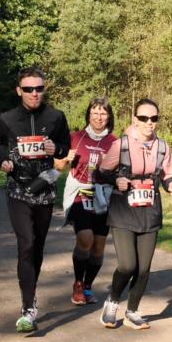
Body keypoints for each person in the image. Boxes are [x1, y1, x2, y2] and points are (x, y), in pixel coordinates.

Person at [0, 68, 70, 333]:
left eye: (39, 89)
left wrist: (54, 149)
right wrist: (3, 160)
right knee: (27, 242)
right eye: (29, 89)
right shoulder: (7, 119)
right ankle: (27, 307)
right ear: (19, 91)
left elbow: (65, 147)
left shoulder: (56, 117)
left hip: (44, 186)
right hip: (18, 189)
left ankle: (30, 291)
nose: (35, 94)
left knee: (38, 247)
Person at [96, 99, 172, 330]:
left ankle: (132, 310)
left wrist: (170, 185)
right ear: (134, 119)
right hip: (123, 209)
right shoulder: (121, 145)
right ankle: (112, 300)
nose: (149, 123)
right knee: (127, 265)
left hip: (149, 209)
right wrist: (117, 179)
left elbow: (167, 174)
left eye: (154, 118)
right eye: (144, 118)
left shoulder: (162, 147)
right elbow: (101, 173)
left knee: (143, 268)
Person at [56, 97, 117, 305]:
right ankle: (78, 283)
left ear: (109, 117)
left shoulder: (115, 142)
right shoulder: (75, 137)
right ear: (88, 115)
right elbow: (58, 166)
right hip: (80, 193)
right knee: (85, 239)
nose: (99, 117)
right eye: (95, 113)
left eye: (103, 113)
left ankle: (88, 285)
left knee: (99, 247)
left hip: (103, 196)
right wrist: (65, 159)